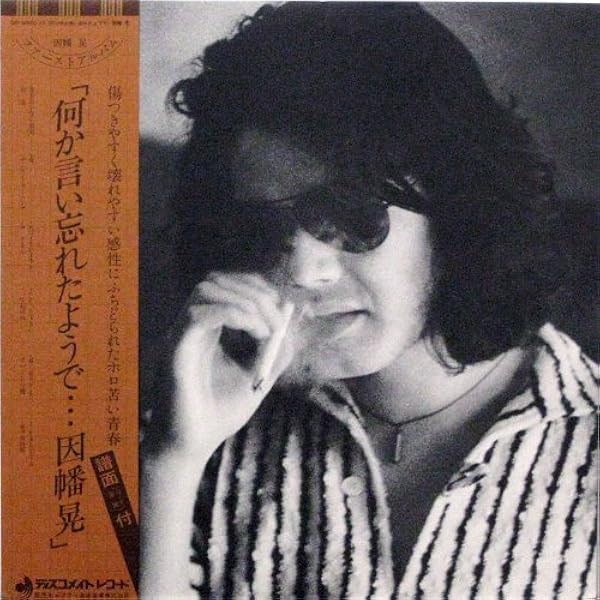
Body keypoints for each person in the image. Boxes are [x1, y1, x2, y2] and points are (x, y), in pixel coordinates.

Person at [140, 4, 598, 598]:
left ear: (459, 215)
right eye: (263, 227)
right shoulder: (198, 426)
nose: (304, 271)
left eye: (352, 215)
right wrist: (173, 465)